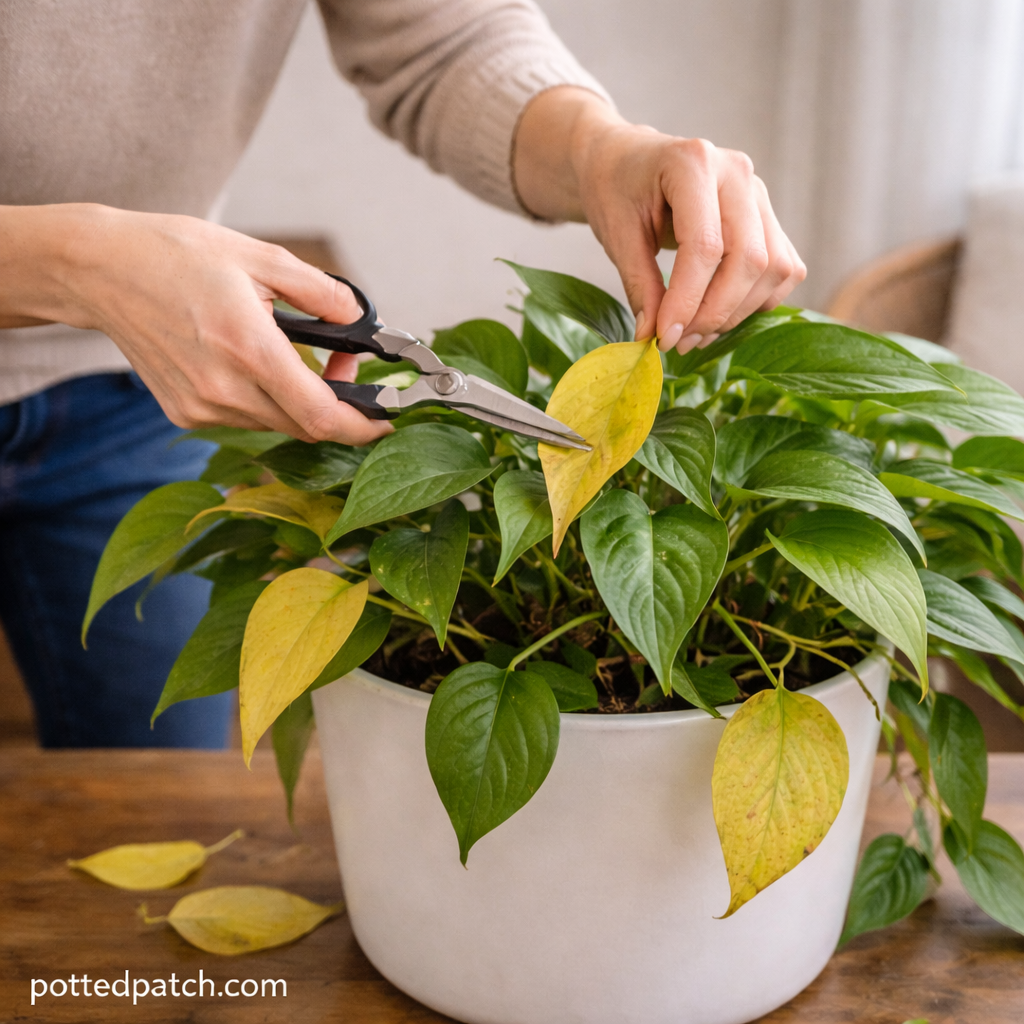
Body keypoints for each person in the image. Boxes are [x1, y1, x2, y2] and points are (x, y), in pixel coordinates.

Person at [0, 0, 805, 749]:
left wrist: (603, 147)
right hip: (128, 315)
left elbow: (442, 37)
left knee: (163, 766)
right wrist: (82, 267)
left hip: (137, 377)